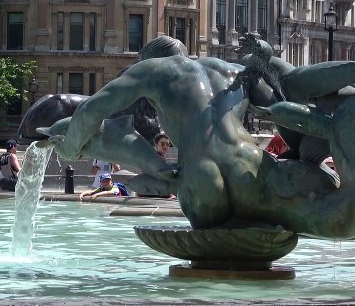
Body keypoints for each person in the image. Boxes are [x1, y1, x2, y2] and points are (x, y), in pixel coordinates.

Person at [41, 44, 355, 238]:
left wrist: (70, 147)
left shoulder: (152, 71)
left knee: (203, 213)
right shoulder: (231, 70)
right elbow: (287, 91)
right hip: (253, 167)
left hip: (202, 181)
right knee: (332, 218)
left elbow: (91, 109)